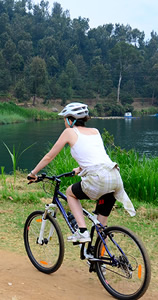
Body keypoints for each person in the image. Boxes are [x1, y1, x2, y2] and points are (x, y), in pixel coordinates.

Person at [28, 102, 135, 243]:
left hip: (98, 179)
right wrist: (79, 169)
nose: (64, 122)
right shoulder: (95, 131)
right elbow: (95, 157)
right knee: (101, 227)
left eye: (65, 119)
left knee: (70, 193)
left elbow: (49, 156)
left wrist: (33, 173)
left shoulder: (69, 132)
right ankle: (100, 263)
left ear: (70, 120)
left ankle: (82, 231)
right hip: (114, 176)